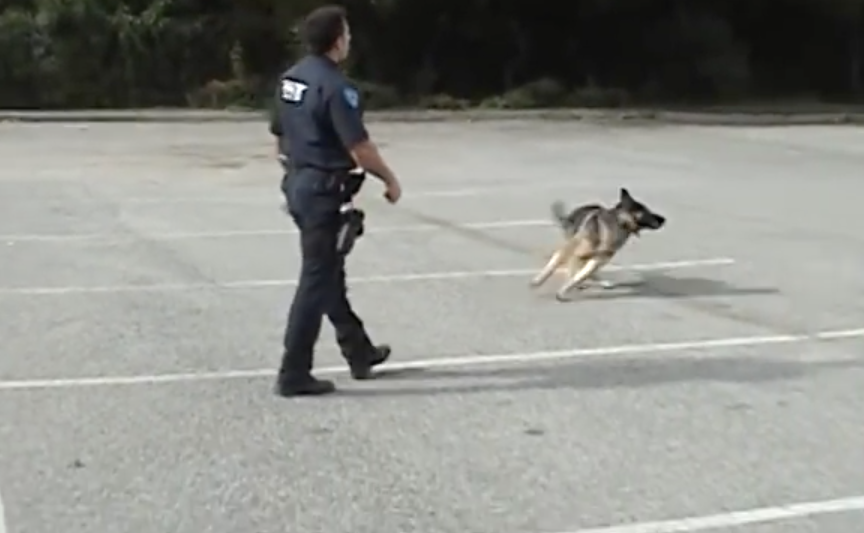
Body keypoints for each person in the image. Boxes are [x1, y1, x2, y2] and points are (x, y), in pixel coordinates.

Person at [269, 4, 403, 397]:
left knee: (328, 272)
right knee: (316, 279)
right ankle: (293, 372)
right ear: (336, 40)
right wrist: (390, 180)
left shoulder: (291, 79)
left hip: (298, 183)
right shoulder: (336, 87)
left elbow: (279, 134)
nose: (350, 40)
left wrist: (293, 170)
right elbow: (359, 146)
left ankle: (358, 350)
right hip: (324, 191)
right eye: (347, 33)